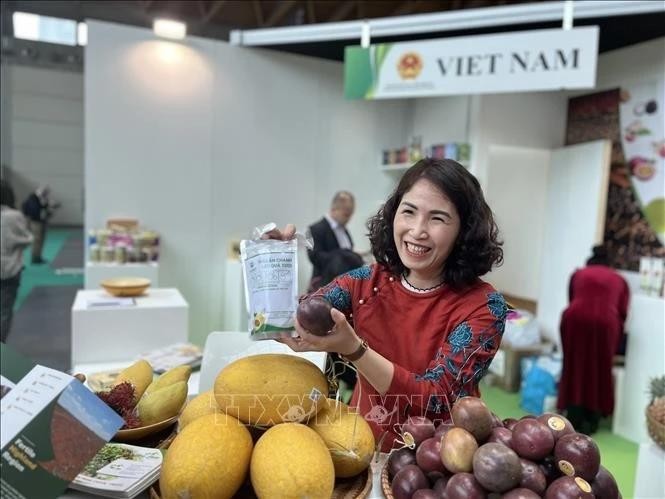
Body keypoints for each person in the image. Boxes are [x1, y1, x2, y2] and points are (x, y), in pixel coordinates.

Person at [266, 158, 506, 451]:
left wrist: (354, 350)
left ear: (464, 230)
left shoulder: (483, 306)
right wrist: (272, 266)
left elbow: (435, 398)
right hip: (358, 450)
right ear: (394, 214)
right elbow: (298, 317)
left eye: (438, 218)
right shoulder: (367, 282)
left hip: (437, 463)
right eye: (409, 212)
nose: (418, 230)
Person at [557, 244, 630, 435]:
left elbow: (572, 298)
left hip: (575, 319)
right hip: (606, 323)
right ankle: (592, 419)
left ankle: (573, 414)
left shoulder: (579, 274)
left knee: (574, 365)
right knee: (600, 369)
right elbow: (622, 311)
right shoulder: (620, 280)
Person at [1, 180, 33, 342]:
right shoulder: (13, 216)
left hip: (8, 269)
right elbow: (26, 238)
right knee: (4, 311)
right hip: (9, 269)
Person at [307, 191, 356, 292]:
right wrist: (344, 254)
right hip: (323, 287)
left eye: (351, 214)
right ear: (334, 209)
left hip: (345, 287)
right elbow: (315, 257)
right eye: (346, 214)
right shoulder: (315, 229)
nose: (349, 218)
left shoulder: (344, 230)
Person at [21, 185, 58, 264]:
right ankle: (35, 257)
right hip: (36, 222)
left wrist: (48, 206)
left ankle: (38, 256)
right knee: (37, 240)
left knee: (41, 240)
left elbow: (41, 207)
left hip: (40, 221)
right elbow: (35, 210)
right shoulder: (33, 198)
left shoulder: (39, 199)